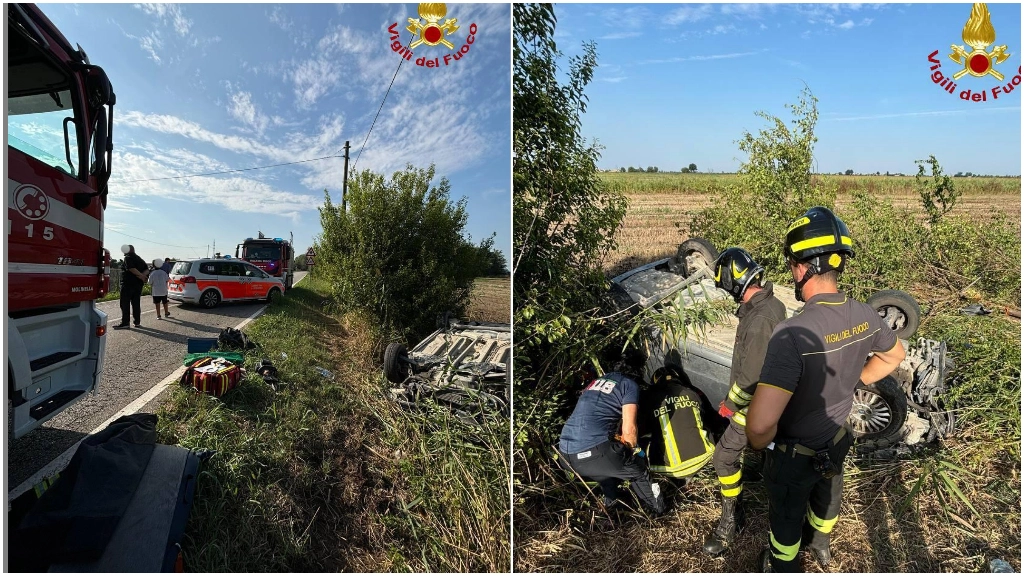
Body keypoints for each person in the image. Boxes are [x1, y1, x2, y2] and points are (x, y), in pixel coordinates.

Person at [746, 207, 906, 572]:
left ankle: (783, 564)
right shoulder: (865, 315)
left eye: (791, 265)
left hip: (793, 455)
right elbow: (895, 355)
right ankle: (821, 547)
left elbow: (759, 426)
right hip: (836, 440)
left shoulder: (791, 334)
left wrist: (758, 446)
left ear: (802, 268)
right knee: (827, 497)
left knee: (786, 517)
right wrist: (854, 381)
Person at [703, 247, 787, 556]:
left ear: (735, 282)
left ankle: (731, 520)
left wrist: (730, 404)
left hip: (754, 407)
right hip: (771, 404)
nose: (727, 293)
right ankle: (760, 475)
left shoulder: (759, 319)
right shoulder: (770, 305)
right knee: (760, 454)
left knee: (723, 458)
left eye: (726, 286)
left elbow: (750, 376)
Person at [557, 354, 666, 515]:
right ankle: (657, 512)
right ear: (638, 371)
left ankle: (613, 506)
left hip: (565, 456)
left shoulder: (594, 383)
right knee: (637, 471)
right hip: (593, 454)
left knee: (607, 468)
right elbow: (629, 432)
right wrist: (636, 454)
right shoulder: (628, 385)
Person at [640, 364, 720, 482]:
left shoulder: (648, 399)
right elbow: (711, 418)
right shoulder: (691, 393)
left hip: (665, 468)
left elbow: (641, 428)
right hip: (703, 457)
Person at [114, 245, 149, 329]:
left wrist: (140, 276)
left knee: (125, 303)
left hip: (128, 284)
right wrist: (143, 276)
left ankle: (125, 322)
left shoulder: (128, 258)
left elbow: (131, 268)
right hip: (138, 285)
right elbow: (147, 269)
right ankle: (137, 322)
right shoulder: (139, 258)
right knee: (136, 303)